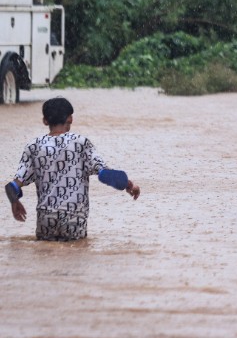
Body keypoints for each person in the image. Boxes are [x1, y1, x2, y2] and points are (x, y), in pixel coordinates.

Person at [4, 97, 141, 241]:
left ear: (45, 121)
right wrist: (129, 185)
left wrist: (15, 201)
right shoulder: (80, 143)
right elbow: (105, 174)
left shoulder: (33, 146)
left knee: (45, 256)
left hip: (45, 217)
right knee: (75, 255)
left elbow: (11, 186)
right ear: (70, 118)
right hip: (74, 216)